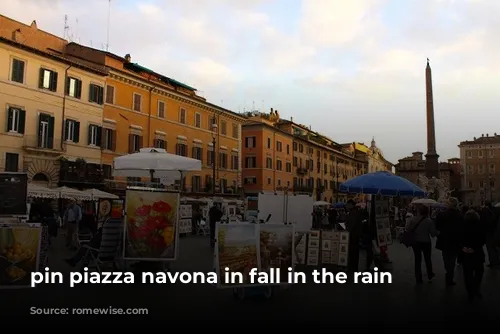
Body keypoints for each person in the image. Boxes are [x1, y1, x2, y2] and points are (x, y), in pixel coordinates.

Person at [435, 197, 463, 286]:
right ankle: (450, 274)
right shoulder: (460, 215)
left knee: (446, 258)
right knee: (452, 259)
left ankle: (448, 272)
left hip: (445, 240)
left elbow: (437, 227)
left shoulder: (441, 215)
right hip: (455, 241)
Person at [406, 205, 437, 284]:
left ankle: (418, 278)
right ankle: (430, 274)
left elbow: (408, 228)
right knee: (427, 259)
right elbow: (433, 233)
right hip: (426, 241)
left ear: (418, 211)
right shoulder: (429, 221)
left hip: (416, 242)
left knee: (417, 260)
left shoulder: (412, 219)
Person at [461, 209, 486, 302]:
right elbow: (483, 240)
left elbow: (459, 238)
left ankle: (470, 292)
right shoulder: (480, 226)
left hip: (465, 252)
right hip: (477, 252)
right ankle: (476, 288)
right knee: (479, 272)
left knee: (467, 273)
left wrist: (463, 247)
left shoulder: (462, 226)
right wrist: (474, 248)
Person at [481, 200, 499, 268]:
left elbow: (484, 222)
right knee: (495, 247)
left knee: (490, 248)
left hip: (488, 232)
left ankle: (493, 262)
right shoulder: (496, 209)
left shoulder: (485, 211)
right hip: (495, 231)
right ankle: (496, 261)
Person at [346, 199, 363, 271]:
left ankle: (352, 267)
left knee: (353, 252)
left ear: (350, 205)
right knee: (354, 252)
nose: (346, 206)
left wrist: (347, 230)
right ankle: (353, 267)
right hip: (355, 234)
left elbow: (352, 224)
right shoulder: (355, 212)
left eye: (347, 205)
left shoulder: (353, 212)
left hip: (353, 235)